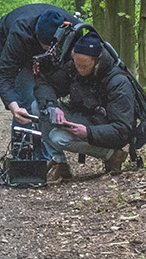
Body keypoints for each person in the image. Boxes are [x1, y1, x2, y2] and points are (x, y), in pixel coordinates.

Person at [34, 31, 132, 180]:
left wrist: (88, 132)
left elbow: (123, 130)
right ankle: (60, 164)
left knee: (57, 137)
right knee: (38, 106)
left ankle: (112, 155)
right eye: (76, 64)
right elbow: (46, 84)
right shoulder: (74, 68)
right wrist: (52, 106)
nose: (79, 70)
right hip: (81, 117)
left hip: (102, 126)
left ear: (97, 62)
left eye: (84, 67)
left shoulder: (118, 82)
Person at [0, 3, 73, 169]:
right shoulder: (19, 34)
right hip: (13, 44)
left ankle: (47, 155)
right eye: (45, 47)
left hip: (51, 49)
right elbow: (4, 75)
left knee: (45, 96)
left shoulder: (72, 28)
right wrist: (14, 107)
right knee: (26, 98)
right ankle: (21, 156)